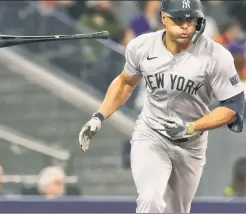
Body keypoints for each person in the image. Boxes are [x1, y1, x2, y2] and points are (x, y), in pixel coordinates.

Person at [78, 0, 245, 213]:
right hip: (151, 134)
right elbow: (125, 82)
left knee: (178, 210)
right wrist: (99, 117)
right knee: (151, 200)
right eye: (178, 19)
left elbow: (233, 105)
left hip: (190, 143)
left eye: (191, 19)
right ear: (164, 17)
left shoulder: (216, 55)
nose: (185, 25)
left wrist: (191, 127)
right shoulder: (143, 46)